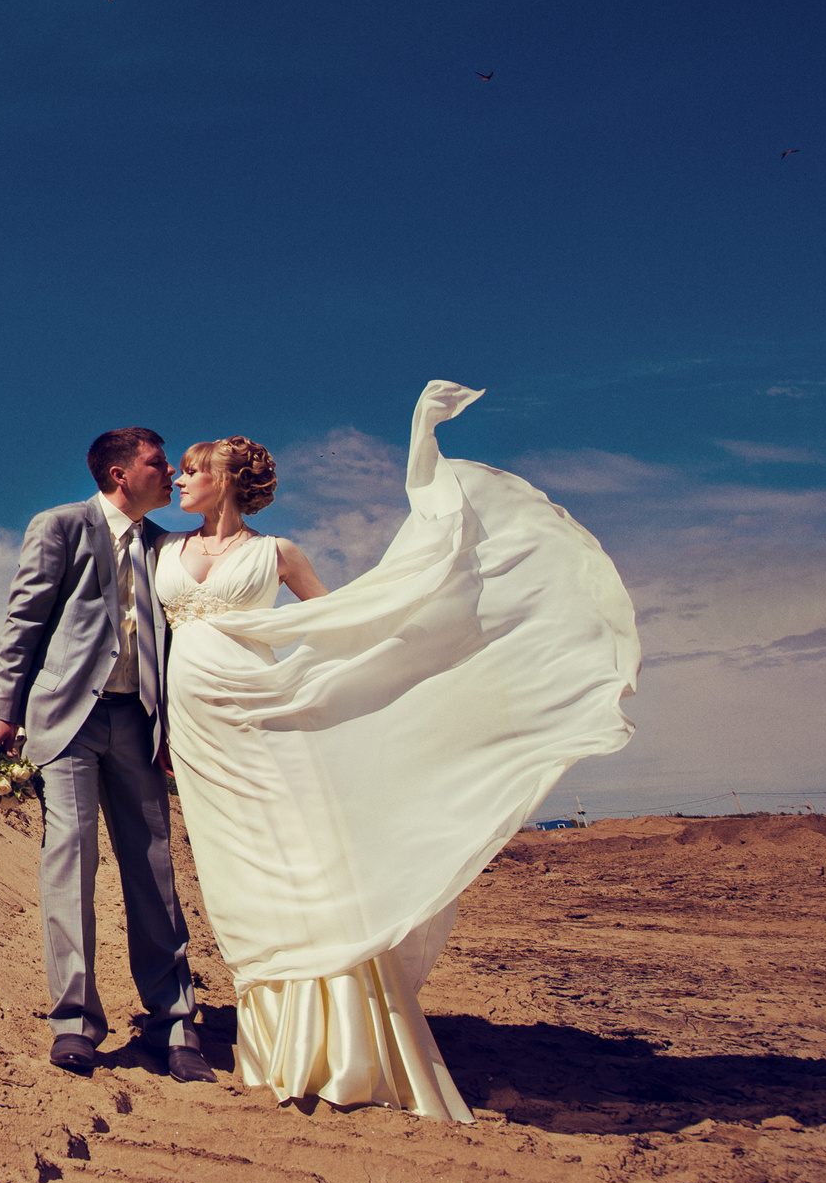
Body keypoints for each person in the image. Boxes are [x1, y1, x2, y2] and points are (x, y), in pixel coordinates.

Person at [157, 383, 637, 1121]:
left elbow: (345, 623)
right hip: (197, 736)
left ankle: (338, 1045)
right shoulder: (165, 550)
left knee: (301, 863)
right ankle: (276, 1042)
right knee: (237, 880)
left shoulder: (277, 552)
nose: (180, 479)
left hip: (263, 719)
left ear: (227, 478)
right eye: (179, 469)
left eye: (194, 468)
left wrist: (423, 636)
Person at [0, 428, 215, 1082]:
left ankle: (175, 1024)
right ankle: (75, 1023)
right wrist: (3, 708)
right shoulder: (61, 526)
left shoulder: (166, 545)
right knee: (72, 854)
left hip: (139, 724)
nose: (168, 471)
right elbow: (24, 619)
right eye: (155, 462)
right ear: (118, 472)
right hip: (68, 718)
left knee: (154, 867)